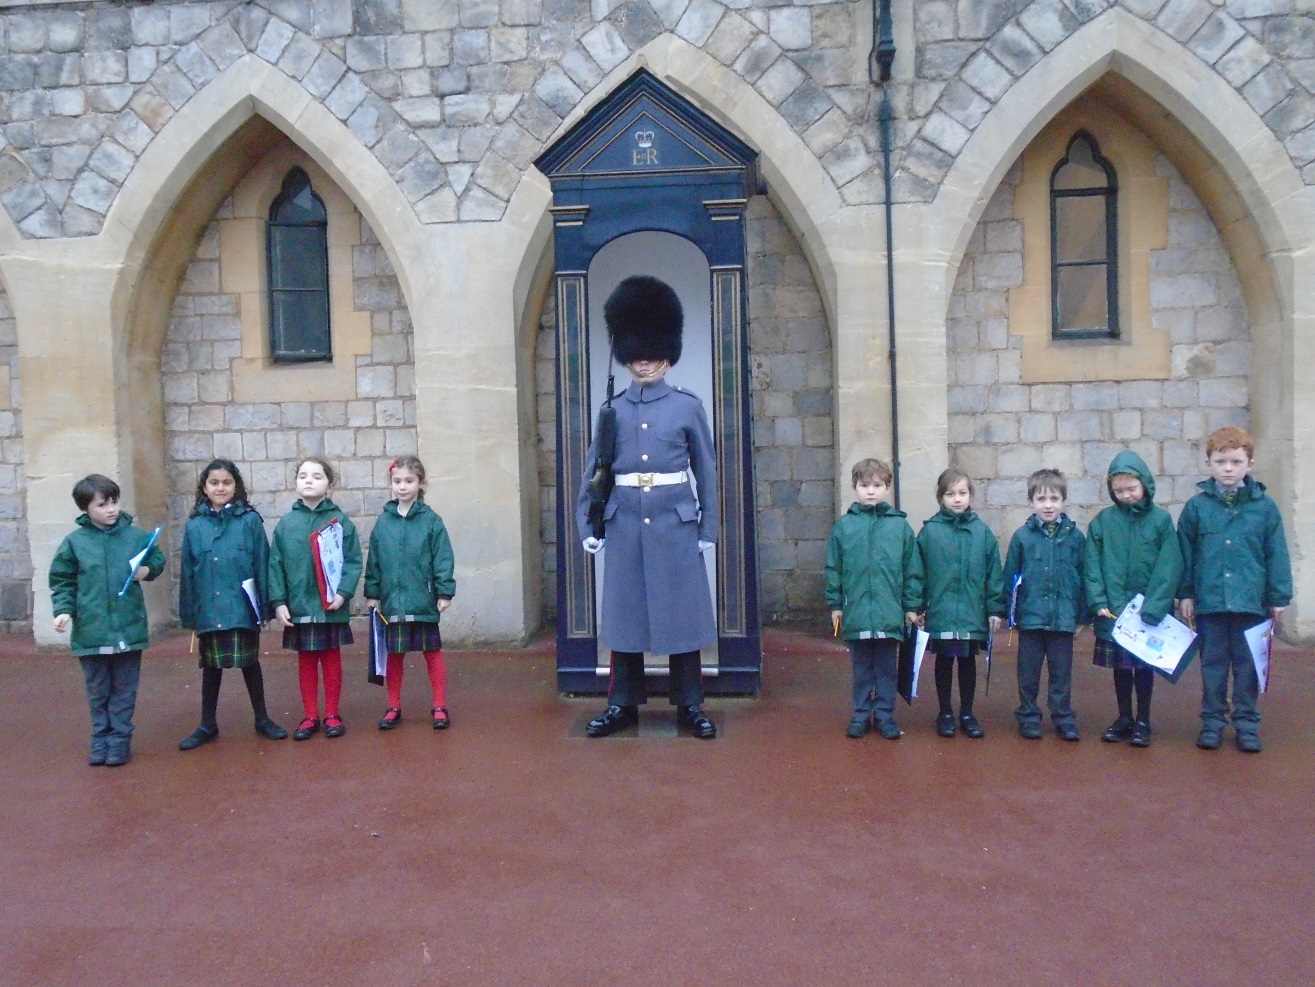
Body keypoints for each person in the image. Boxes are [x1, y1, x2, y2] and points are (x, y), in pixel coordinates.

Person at [576, 275, 719, 739]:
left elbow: (707, 470)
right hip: (625, 525)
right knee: (625, 621)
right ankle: (622, 705)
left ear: (667, 354)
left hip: (675, 525)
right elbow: (595, 469)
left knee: (682, 619)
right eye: (637, 353)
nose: (645, 361)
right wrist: (588, 521)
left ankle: (690, 705)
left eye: (653, 353)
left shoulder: (686, 407)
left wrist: (707, 526)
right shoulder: (613, 409)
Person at [1177, 427, 1292, 753]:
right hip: (1210, 602)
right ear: (1209, 464)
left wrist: (1278, 596)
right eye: (1221, 461)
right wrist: (1185, 592)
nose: (1228, 468)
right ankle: (1212, 723)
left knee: (1247, 667)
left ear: (1250, 464)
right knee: (1212, 666)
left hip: (1250, 603)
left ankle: (1246, 724)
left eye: (1236, 461)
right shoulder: (1197, 508)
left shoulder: (1264, 508)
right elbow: (1185, 553)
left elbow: (1276, 553)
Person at [49, 474, 166, 767]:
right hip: (91, 631)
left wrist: (148, 570)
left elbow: (157, 557)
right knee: (98, 690)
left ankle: (120, 741)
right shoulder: (74, 543)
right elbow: (62, 581)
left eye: (114, 502)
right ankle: (100, 740)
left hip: (128, 628)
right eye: (102, 504)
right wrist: (63, 610)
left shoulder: (135, 536)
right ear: (86, 509)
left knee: (124, 690)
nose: (111, 509)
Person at [177, 460, 286, 750]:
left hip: (241, 606)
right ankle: (207, 724)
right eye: (214, 483)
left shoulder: (249, 521)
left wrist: (266, 606)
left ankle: (262, 718)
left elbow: (262, 563)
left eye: (227, 482)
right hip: (209, 609)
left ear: (236, 486)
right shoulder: (195, 525)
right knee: (211, 667)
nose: (220, 488)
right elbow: (188, 570)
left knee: (249, 663)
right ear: (204, 487)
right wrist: (190, 613)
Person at [1084, 451, 1182, 748]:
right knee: (1121, 668)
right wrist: (1098, 600)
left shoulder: (1161, 521)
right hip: (1114, 611)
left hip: (1146, 613)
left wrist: (1155, 606)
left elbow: (1169, 566)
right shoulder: (1102, 522)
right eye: (1119, 491)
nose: (1126, 495)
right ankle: (1124, 716)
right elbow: (1092, 564)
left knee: (1143, 668)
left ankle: (1144, 720)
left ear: (1145, 485)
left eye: (1131, 489)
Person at [825, 458, 923, 739]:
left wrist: (911, 606)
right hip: (856, 611)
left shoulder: (900, 528)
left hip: (889, 613)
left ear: (887, 488)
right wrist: (835, 604)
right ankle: (859, 715)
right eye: (864, 485)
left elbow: (911, 569)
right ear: (855, 488)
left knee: (886, 669)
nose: (871, 491)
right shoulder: (844, 527)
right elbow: (834, 568)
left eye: (877, 485)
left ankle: (884, 715)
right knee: (861, 670)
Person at [268, 458, 361, 741]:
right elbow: (276, 565)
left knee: (331, 659)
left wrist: (343, 593)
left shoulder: (340, 522)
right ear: (295, 482)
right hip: (298, 607)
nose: (309, 480)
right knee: (306, 661)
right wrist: (279, 601)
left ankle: (332, 713)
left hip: (330, 606)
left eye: (317, 476)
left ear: (329, 486)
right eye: (303, 475)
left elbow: (353, 562)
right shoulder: (286, 524)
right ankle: (310, 715)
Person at [364, 456, 456, 731]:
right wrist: (372, 593)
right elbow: (375, 561)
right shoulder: (383, 522)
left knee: (432, 653)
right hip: (393, 602)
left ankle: (439, 705)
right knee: (395, 654)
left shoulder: (431, 521)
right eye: (397, 482)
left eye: (409, 481)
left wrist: (444, 591)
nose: (402, 487)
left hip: (423, 599)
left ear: (421, 483)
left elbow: (443, 558)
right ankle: (393, 706)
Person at [916, 468, 1005, 739]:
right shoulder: (929, 532)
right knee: (943, 662)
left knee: (967, 663)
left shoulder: (982, 533)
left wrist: (994, 608)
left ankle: (967, 712)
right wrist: (918, 606)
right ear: (941, 497)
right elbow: (917, 571)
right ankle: (944, 712)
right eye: (951, 494)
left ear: (970, 495)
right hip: (941, 611)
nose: (957, 499)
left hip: (971, 611)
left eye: (963, 493)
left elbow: (994, 574)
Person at [1003, 468, 1086, 742]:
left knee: (1061, 673)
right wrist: (1011, 615)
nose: (1048, 505)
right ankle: (1028, 715)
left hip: (1063, 619)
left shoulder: (1075, 538)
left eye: (1053, 498)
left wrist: (1082, 617)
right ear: (1031, 502)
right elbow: (1011, 577)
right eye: (1041, 499)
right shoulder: (1022, 538)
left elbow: (1084, 576)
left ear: (1063, 500)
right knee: (1028, 673)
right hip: (1031, 618)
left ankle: (1063, 716)